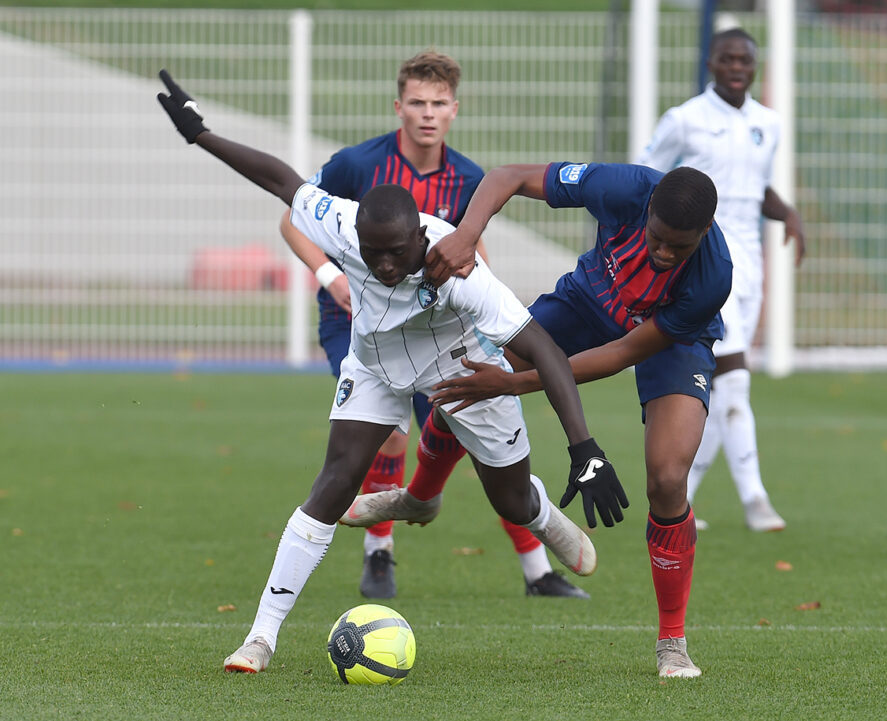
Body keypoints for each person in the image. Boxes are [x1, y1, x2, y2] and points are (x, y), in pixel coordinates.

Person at [155, 70, 628, 674]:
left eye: (395, 253)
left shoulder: (457, 266)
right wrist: (202, 135)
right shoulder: (342, 222)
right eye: (371, 251)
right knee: (334, 481)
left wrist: (584, 446)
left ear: (418, 239)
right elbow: (279, 179)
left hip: (459, 367)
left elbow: (544, 350)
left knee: (508, 498)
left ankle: (535, 511)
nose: (382, 264)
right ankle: (260, 638)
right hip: (376, 366)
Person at [343, 159, 732, 678]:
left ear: (704, 232)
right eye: (656, 238)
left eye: (678, 247)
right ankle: (421, 497)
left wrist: (513, 383)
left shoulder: (712, 277)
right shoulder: (623, 188)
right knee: (465, 374)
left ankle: (672, 643)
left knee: (666, 480)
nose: (663, 253)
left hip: (668, 343)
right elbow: (507, 177)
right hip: (587, 300)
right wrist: (466, 234)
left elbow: (623, 353)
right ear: (647, 210)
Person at [282, 50, 589, 600]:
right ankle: (380, 556)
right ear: (398, 106)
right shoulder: (358, 164)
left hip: (435, 325)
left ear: (455, 110)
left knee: (473, 422)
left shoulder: (468, 176)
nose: (427, 113)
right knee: (391, 434)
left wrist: (486, 316)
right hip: (358, 323)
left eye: (439, 104)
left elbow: (472, 251)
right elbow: (294, 218)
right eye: (417, 103)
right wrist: (331, 277)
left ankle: (536, 569)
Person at [636, 27, 805, 532]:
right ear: (710, 62)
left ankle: (682, 493)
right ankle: (755, 498)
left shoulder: (767, 125)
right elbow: (648, 180)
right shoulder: (684, 120)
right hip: (703, 261)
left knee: (721, 381)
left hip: (750, 264)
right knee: (734, 377)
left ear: (755, 67)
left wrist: (788, 214)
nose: (736, 67)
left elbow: (753, 189)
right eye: (727, 58)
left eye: (745, 60)